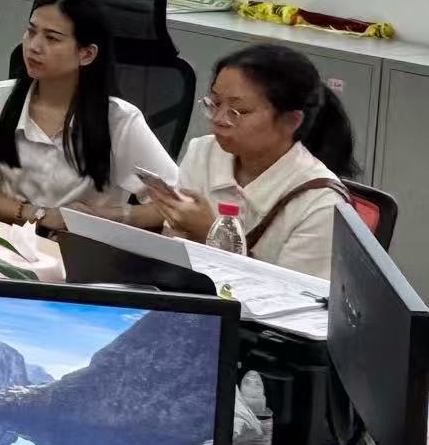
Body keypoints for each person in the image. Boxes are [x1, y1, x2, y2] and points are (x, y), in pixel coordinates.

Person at [137, 44, 359, 280]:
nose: (219, 119)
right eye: (215, 103)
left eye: (238, 110)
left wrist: (211, 236)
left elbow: (294, 297)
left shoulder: (321, 203)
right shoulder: (203, 151)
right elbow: (173, 254)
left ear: (291, 121)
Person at [0, 0, 178, 232]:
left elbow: (175, 204)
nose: (33, 46)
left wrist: (104, 217)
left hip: (81, 247)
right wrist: (36, 214)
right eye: (31, 32)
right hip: (4, 240)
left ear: (86, 54)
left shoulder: (120, 120)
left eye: (52, 38)